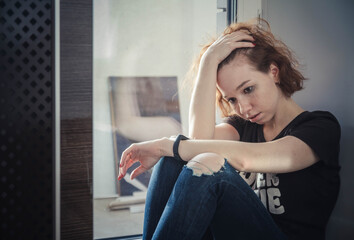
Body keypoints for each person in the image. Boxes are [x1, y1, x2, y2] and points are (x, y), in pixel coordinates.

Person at [117, 19, 341, 240]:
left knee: (205, 166)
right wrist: (208, 61)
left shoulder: (320, 128)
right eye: (232, 99)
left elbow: (243, 160)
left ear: (274, 72)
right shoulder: (242, 126)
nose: (243, 108)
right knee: (173, 159)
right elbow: (195, 145)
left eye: (249, 89)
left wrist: (165, 144)